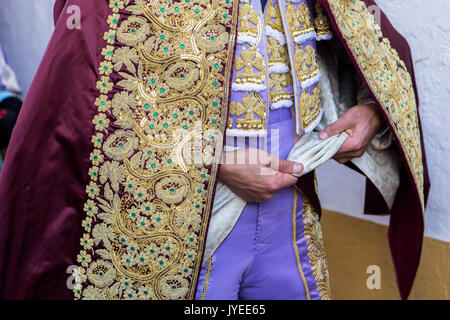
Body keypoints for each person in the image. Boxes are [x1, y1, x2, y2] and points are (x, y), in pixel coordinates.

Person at [0, 0, 429, 300]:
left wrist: (371, 114)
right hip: (179, 230)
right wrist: (214, 162)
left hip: (292, 217)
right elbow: (93, 99)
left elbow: (371, 48)